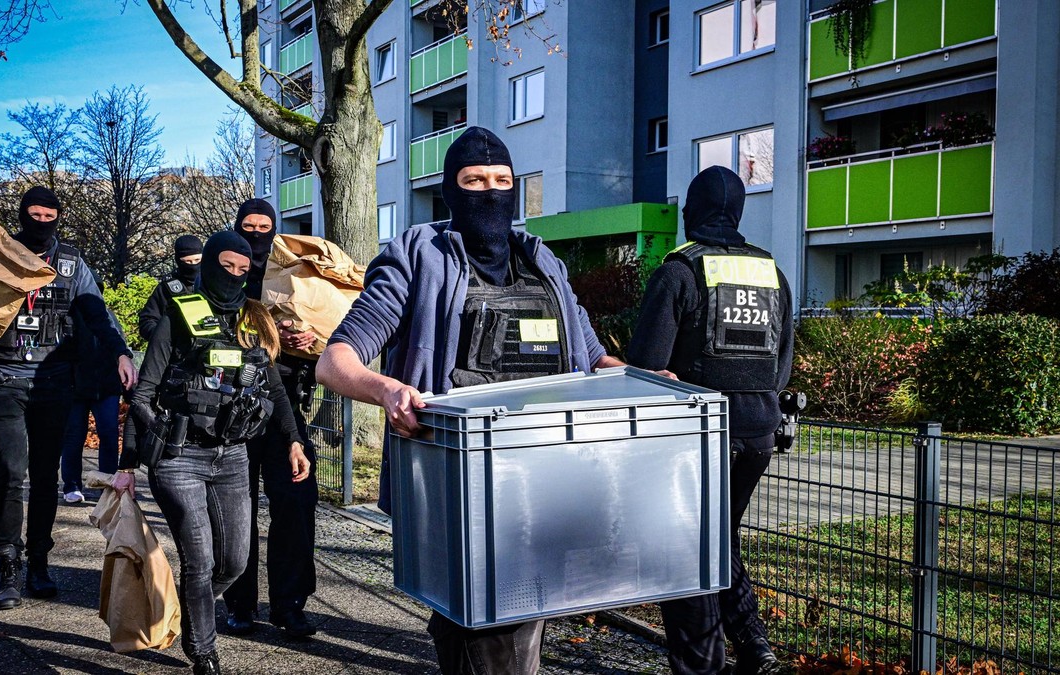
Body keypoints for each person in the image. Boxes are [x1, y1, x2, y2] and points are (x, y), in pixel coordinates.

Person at [316, 126, 624, 675]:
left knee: (522, 623)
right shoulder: (417, 257)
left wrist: (653, 382)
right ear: (450, 191)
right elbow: (335, 360)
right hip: (460, 487)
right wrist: (389, 390)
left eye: (502, 181)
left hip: (547, 480)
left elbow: (595, 358)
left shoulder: (543, 263)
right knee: (490, 632)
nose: (491, 193)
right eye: (474, 181)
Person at [111, 231, 310, 675]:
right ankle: (204, 653)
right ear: (209, 264)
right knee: (199, 561)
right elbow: (142, 395)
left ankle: (191, 610)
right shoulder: (179, 314)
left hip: (233, 457)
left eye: (243, 269)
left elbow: (275, 390)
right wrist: (134, 459)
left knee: (234, 563)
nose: (234, 275)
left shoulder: (254, 318)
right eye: (227, 266)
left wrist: (293, 440)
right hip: (179, 458)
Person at [627, 166, 794, 675]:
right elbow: (781, 368)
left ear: (690, 212)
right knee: (718, 538)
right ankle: (756, 649)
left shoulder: (680, 271)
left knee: (685, 550)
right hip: (758, 434)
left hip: (695, 437)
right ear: (738, 213)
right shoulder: (772, 273)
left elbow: (644, 367)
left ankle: (704, 667)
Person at [0, 186, 138, 611]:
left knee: (44, 476)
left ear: (58, 218)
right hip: (4, 379)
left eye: (49, 216)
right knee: (9, 473)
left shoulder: (70, 263)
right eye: (33, 215)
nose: (41, 222)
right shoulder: (0, 254)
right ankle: (8, 565)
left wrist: (120, 353)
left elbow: (96, 312)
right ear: (23, 215)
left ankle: (39, 561)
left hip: (54, 384)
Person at [222, 198, 321, 638]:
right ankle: (239, 603)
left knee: (297, 505)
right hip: (232, 410)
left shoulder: (292, 275)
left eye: (265, 227)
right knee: (236, 511)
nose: (257, 234)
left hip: (285, 408)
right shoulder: (224, 271)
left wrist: (306, 338)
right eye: (249, 226)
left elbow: (324, 326)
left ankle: (290, 604)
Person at [59, 283, 128, 504]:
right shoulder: (69, 317)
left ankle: (106, 485)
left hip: (106, 386)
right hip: (75, 386)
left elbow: (120, 345)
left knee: (108, 436)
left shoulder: (108, 317)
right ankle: (71, 485)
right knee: (74, 437)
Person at [138, 234, 203, 343]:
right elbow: (147, 321)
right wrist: (165, 338)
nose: (193, 266)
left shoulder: (214, 285)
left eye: (197, 260)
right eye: (188, 261)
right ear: (178, 261)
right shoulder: (166, 289)